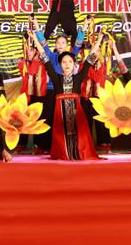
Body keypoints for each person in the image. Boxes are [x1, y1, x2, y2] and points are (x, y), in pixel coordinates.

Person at [31, 31, 102, 160]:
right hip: (60, 115)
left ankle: (79, 153)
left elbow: (90, 58)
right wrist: (35, 38)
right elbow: (44, 56)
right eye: (64, 62)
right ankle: (63, 153)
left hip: (77, 114)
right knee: (60, 135)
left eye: (70, 61)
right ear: (60, 64)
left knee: (79, 135)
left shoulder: (78, 78)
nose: (67, 64)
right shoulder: (56, 78)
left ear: (74, 64)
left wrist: (100, 39)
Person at [32, 15, 86, 154]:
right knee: (48, 117)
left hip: (68, 91)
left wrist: (84, 28)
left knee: (66, 120)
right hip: (52, 90)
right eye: (58, 42)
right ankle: (44, 146)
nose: (60, 44)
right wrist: (36, 25)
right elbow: (42, 43)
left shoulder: (71, 55)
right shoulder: (51, 55)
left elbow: (79, 43)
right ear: (55, 45)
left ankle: (67, 147)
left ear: (67, 44)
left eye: (63, 42)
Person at [17, 41, 47, 153]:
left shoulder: (44, 62)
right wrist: (35, 59)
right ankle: (21, 146)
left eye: (31, 49)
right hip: (26, 96)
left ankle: (39, 147)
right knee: (23, 121)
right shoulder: (22, 63)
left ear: (36, 50)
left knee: (39, 121)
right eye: (27, 49)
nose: (28, 52)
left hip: (40, 96)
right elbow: (31, 72)